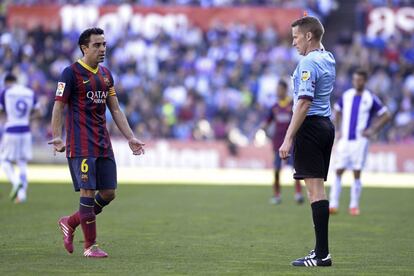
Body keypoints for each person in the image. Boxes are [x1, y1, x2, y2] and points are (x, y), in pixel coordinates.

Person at [49, 28, 145, 258]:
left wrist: (130, 136)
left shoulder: (105, 75)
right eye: (97, 45)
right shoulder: (70, 73)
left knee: (109, 193)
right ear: (84, 48)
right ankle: (90, 246)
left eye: (104, 44)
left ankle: (70, 222)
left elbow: (115, 108)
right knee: (88, 193)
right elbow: (59, 106)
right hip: (80, 144)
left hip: (103, 142)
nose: (102, 49)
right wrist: (57, 136)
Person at [279, 16, 335, 267]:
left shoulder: (307, 63)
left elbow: (303, 102)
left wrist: (288, 138)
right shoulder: (328, 58)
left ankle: (322, 254)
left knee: (315, 191)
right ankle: (321, 252)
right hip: (325, 125)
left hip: (310, 127)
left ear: (308, 36)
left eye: (296, 37)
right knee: (318, 189)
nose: (294, 43)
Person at [329, 69, 391, 216]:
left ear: (365, 81)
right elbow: (337, 110)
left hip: (360, 141)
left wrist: (373, 130)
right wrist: (338, 129)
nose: (357, 82)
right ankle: (333, 203)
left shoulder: (370, 98)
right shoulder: (347, 95)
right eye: (355, 79)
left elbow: (386, 115)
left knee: (356, 172)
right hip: (344, 140)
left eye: (360, 80)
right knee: (338, 170)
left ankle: (354, 205)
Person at [0, 73, 42, 203]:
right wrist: (27, 119)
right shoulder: (29, 92)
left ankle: (16, 181)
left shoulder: (5, 92)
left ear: (7, 82)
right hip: (25, 130)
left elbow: (1, 111)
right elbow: (39, 112)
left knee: (4, 160)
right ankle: (22, 195)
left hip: (11, 129)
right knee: (22, 162)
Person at [261, 80, 304, 205]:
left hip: (291, 142)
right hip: (278, 142)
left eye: (279, 89)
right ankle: (277, 195)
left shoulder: (293, 104)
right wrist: (263, 126)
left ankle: (298, 194)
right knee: (276, 170)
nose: (277, 92)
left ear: (285, 90)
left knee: (295, 169)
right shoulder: (274, 107)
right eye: (277, 89)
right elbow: (267, 120)